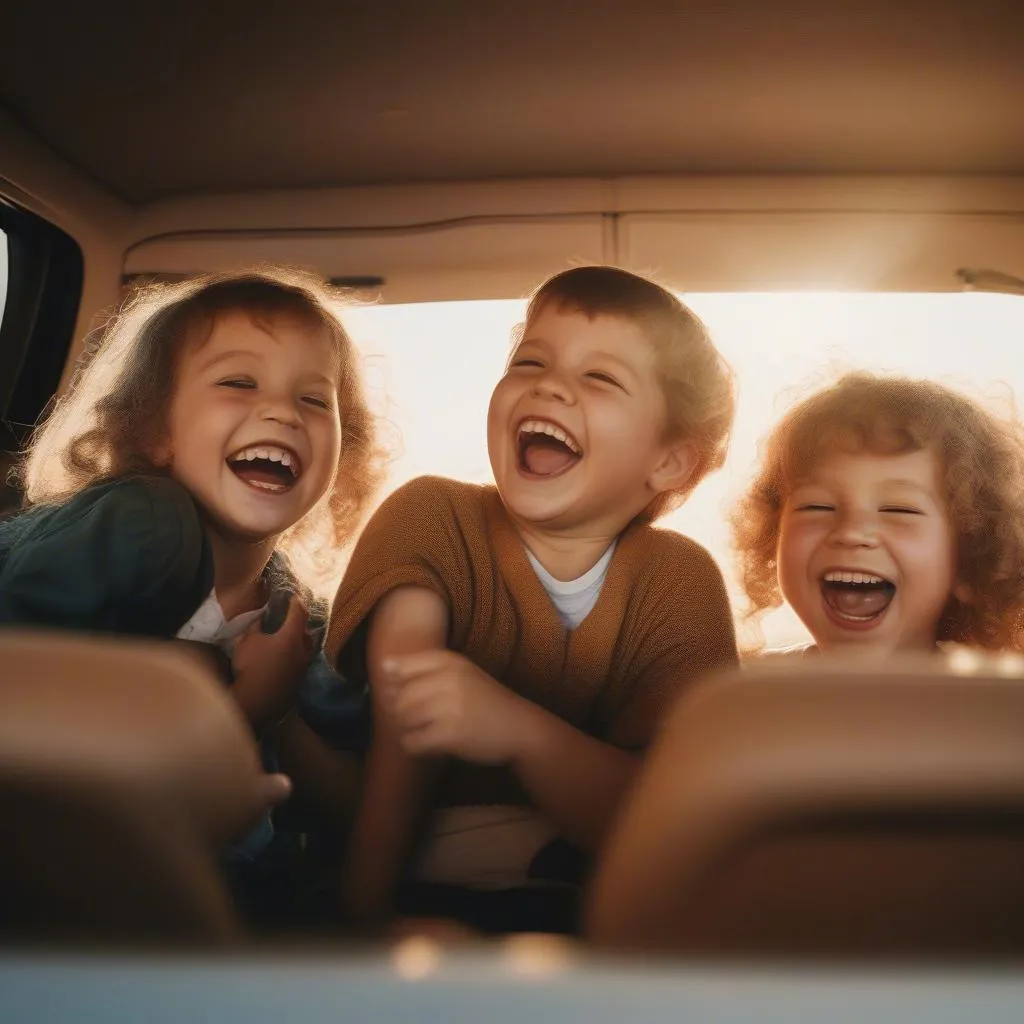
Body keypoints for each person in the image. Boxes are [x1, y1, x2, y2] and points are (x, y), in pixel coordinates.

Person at [326, 265, 739, 933]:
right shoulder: (431, 515)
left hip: (596, 917)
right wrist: (362, 921)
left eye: (600, 378)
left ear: (669, 462)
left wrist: (520, 733)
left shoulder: (680, 581)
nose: (550, 385)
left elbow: (670, 820)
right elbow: (409, 717)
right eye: (530, 361)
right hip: (421, 892)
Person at [0, 268, 385, 914]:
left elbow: (354, 805)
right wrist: (242, 705)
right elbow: (25, 695)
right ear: (155, 429)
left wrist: (284, 713)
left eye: (315, 400)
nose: (282, 412)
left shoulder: (301, 620)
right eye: (239, 383)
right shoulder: (136, 522)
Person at [731, 371, 1024, 657]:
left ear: (969, 560)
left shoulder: (996, 702)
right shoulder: (746, 695)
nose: (851, 532)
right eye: (817, 506)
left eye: (899, 509)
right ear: (774, 536)